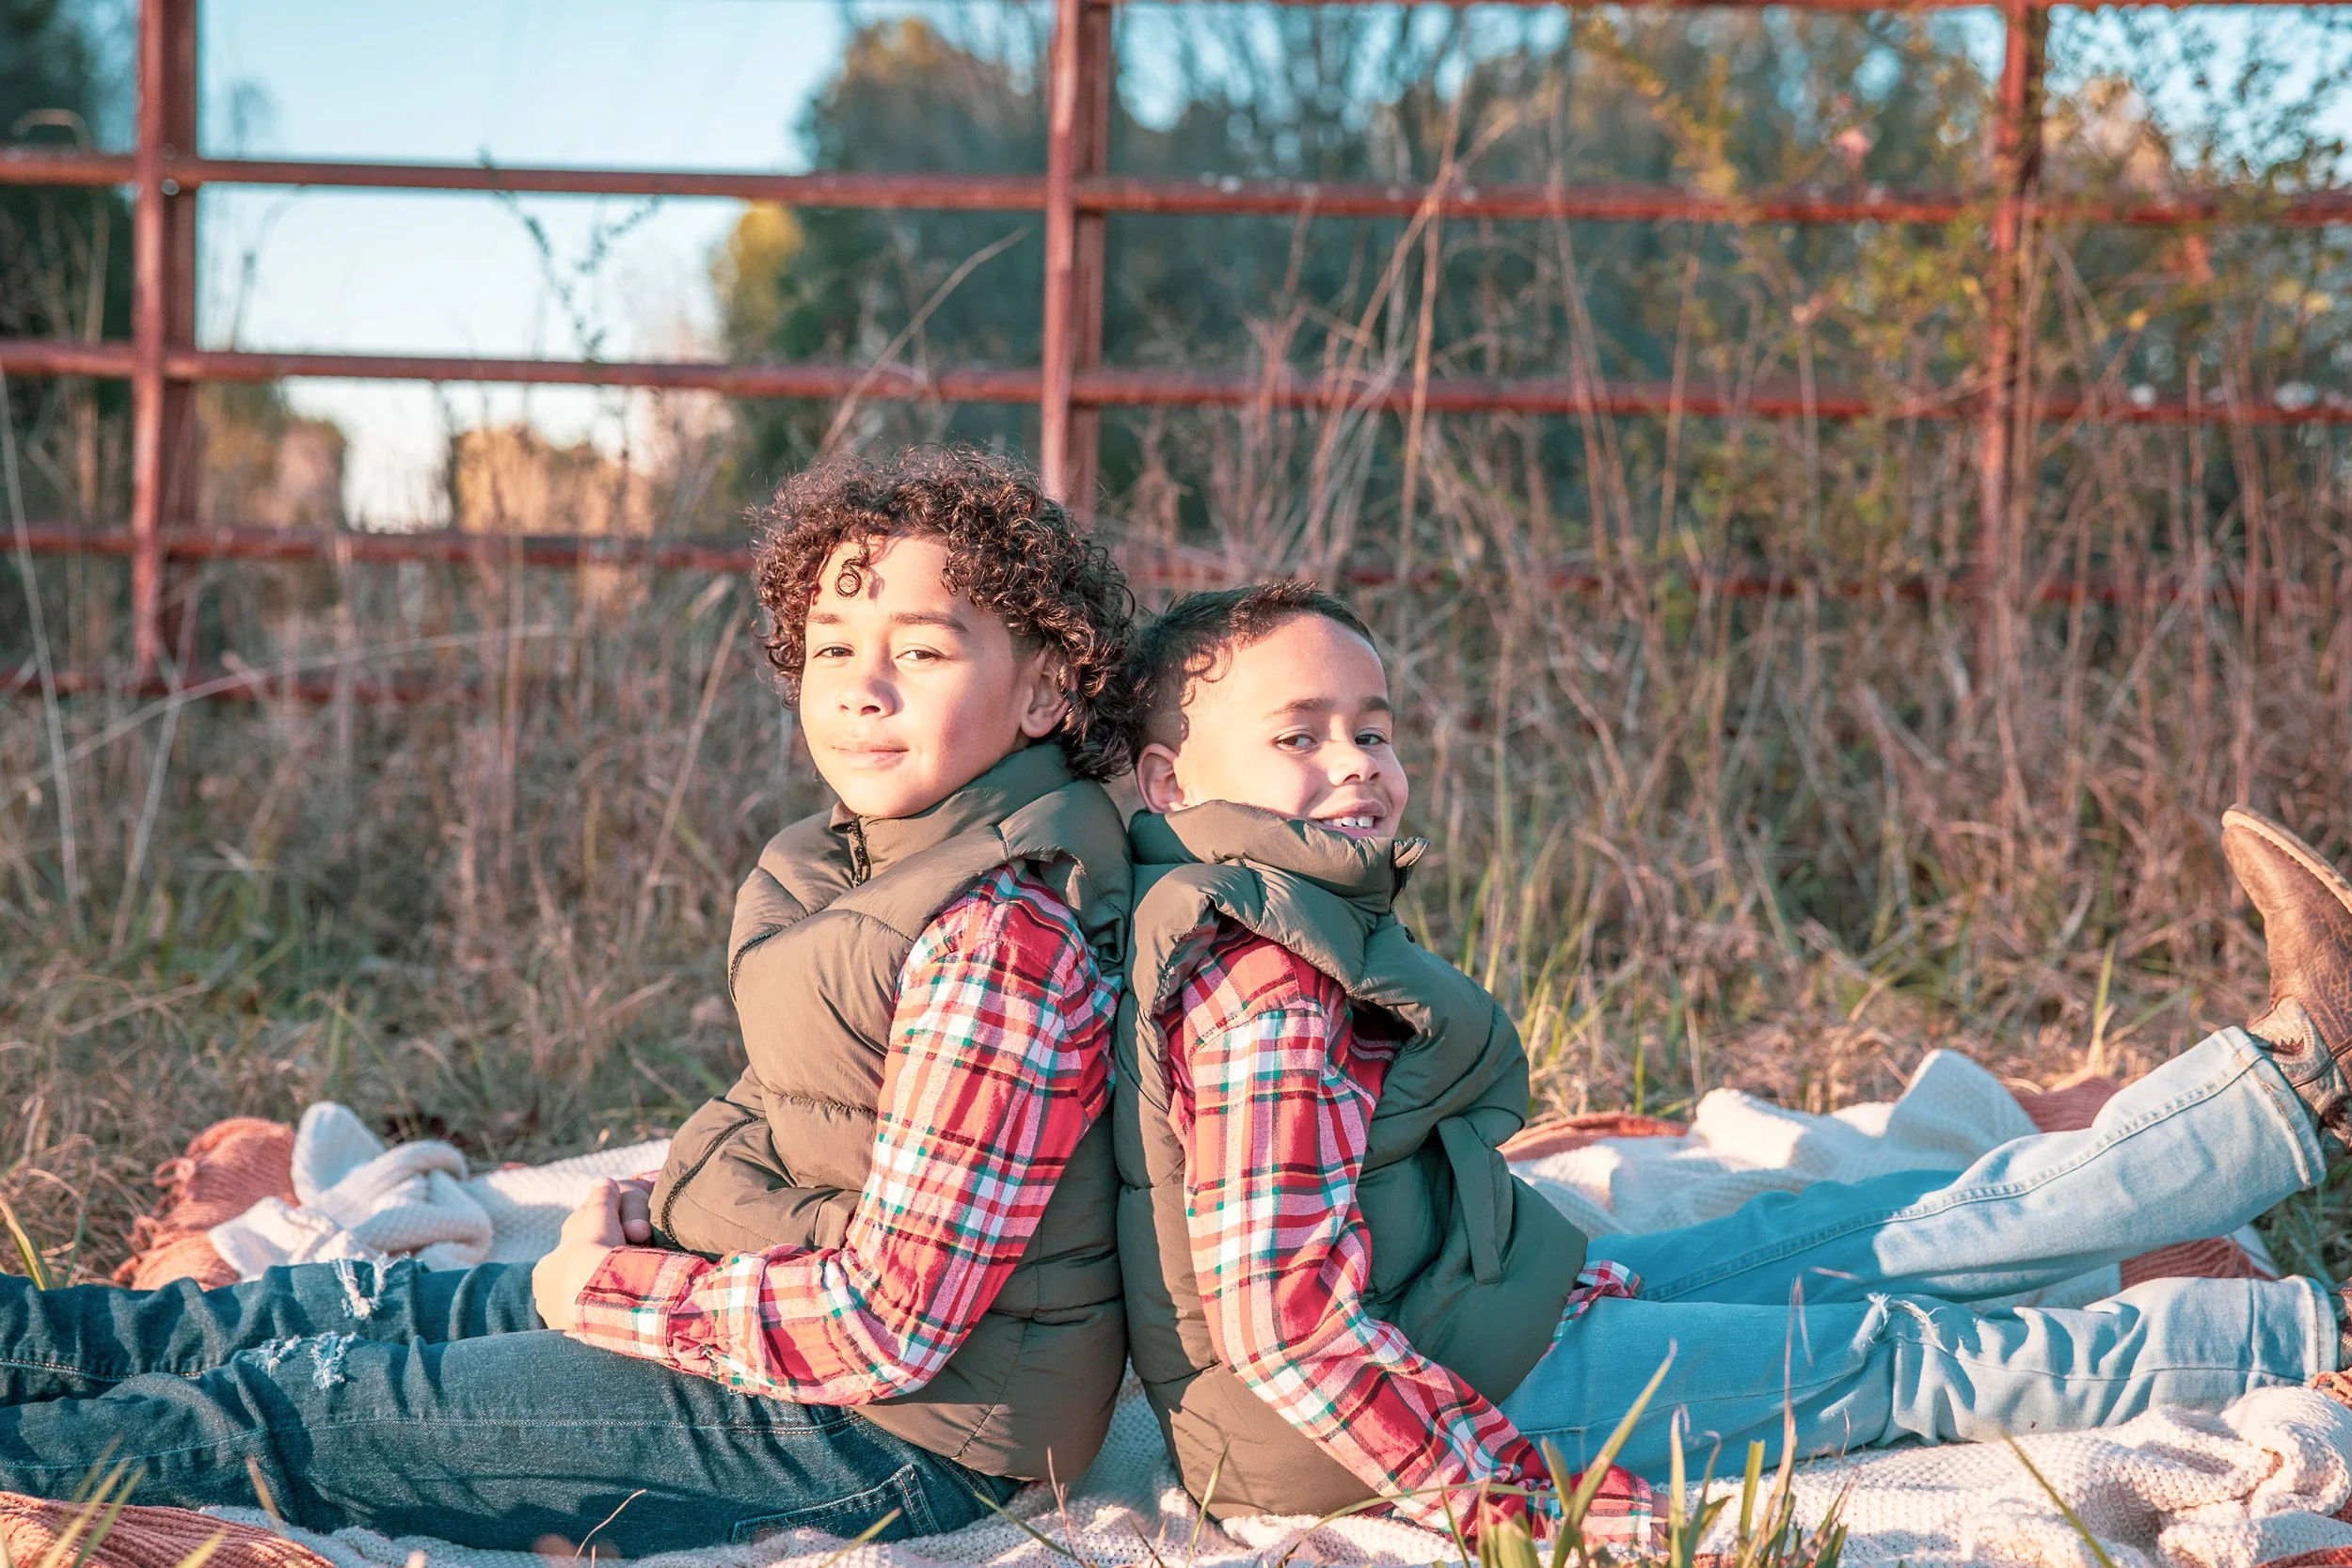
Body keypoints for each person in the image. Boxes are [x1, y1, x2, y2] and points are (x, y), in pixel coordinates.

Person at [0, 448, 1138, 1557]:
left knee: (310, 1402)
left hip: (892, 1430)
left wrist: (600, 1290)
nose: (860, 687)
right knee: (337, 1310)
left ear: (1045, 686)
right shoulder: (872, 862)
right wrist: (665, 1200)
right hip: (782, 1314)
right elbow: (820, 1118)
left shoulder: (1001, 941)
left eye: (923, 650)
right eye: (833, 645)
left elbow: (894, 1323)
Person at [1112, 577, 2352, 1540]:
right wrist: (1509, 1500)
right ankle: (2310, 1339)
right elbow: (1284, 1329)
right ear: (1171, 776)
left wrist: (1556, 1274)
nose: (1357, 763)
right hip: (1438, 1404)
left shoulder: (1295, 919)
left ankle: (2306, 1069)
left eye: (1372, 729)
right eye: (1302, 734)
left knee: (1902, 1215)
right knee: (1889, 1345)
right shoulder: (1261, 981)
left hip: (1494, 1308)